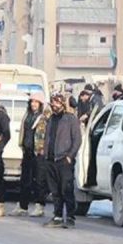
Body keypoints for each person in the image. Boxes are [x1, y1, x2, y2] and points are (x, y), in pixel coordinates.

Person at [43, 93, 82, 229]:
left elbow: (77, 140)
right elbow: (47, 138)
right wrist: (45, 154)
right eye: (53, 103)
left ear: (63, 104)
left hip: (64, 160)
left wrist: (70, 156)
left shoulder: (71, 119)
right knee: (55, 191)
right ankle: (57, 216)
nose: (55, 106)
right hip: (50, 159)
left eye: (57, 103)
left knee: (67, 189)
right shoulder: (50, 119)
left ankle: (70, 217)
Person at [12, 91, 48, 218]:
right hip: (27, 151)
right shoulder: (27, 115)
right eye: (32, 102)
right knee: (25, 180)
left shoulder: (45, 116)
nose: (34, 104)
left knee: (39, 180)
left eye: (36, 102)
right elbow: (23, 130)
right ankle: (23, 206)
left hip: (39, 152)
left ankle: (39, 206)